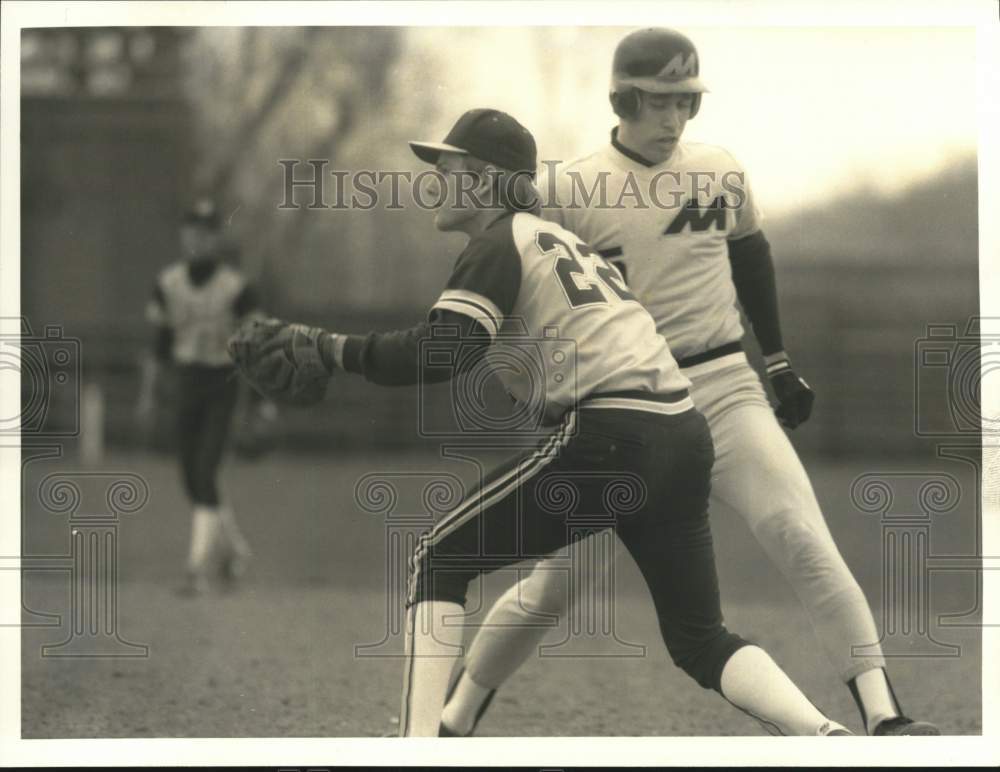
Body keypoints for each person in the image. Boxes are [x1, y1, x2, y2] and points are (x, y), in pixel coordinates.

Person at [227, 108, 852, 737]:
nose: (435, 183)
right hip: (684, 436)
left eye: (447, 170)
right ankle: (824, 733)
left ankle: (417, 746)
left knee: (438, 557)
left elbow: (443, 351)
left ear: (485, 180)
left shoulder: (499, 242)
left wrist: (332, 350)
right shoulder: (563, 244)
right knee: (700, 639)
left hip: (616, 435)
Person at [438, 29, 939, 737]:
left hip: (722, 383)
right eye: (659, 101)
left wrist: (779, 361)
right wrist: (542, 391)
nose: (675, 119)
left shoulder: (719, 170)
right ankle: (451, 723)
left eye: (687, 103)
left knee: (798, 532)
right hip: (620, 403)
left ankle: (885, 719)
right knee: (558, 584)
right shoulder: (565, 189)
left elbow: (752, 260)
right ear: (623, 98)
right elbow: (518, 281)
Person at [137, 198, 255, 595]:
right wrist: (148, 394)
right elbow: (159, 343)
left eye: (207, 232)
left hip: (222, 383)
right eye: (193, 231)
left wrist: (260, 400)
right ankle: (235, 550)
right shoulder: (168, 282)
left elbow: (256, 344)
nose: (199, 239)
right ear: (184, 235)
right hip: (185, 381)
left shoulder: (236, 287)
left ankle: (195, 569)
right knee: (191, 477)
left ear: (217, 238)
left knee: (206, 471)